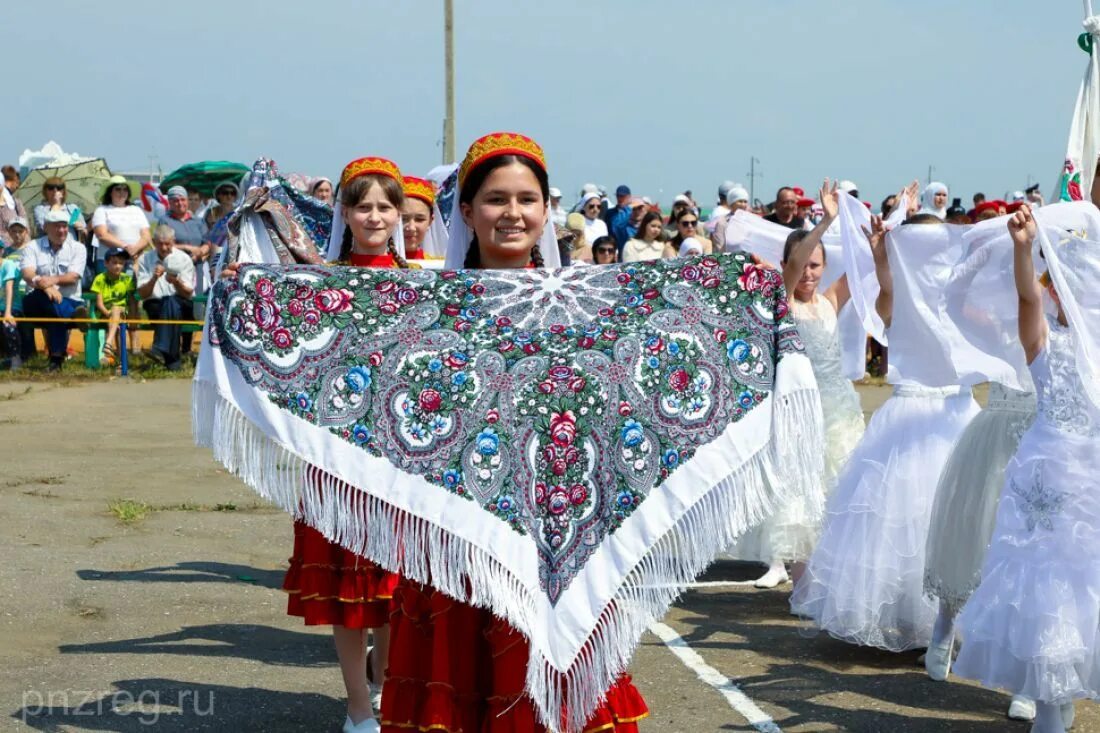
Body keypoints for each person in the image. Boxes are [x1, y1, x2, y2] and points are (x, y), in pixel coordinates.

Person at [382, 131, 647, 733]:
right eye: (497, 199)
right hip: (456, 539)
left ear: (547, 210)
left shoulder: (590, 303)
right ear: (468, 212)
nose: (513, 213)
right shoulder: (426, 304)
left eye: (527, 199)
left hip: (561, 536)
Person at [790, 208, 981, 652]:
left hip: (956, 409)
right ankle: (921, 625)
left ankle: (952, 624)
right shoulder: (894, 294)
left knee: (954, 521)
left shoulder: (959, 293)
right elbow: (889, 295)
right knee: (905, 522)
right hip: (912, 410)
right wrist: (881, 255)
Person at [954, 205, 1100, 733]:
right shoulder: (1044, 343)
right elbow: (1025, 297)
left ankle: (1063, 699)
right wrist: (1023, 247)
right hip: (1048, 474)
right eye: (1061, 283)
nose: (1068, 294)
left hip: (1093, 480)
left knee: (1085, 585)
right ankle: (1049, 705)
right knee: (1046, 585)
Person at [733, 181, 866, 588]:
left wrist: (885, 227)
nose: (809, 272)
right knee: (799, 489)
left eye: (816, 265)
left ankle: (827, 576)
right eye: (803, 264)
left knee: (837, 486)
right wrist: (825, 220)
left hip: (840, 408)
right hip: (800, 407)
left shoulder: (830, 300)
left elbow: (867, 262)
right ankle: (795, 576)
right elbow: (792, 269)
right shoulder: (784, 299)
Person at [20, 209, 89, 371]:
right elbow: (27, 273)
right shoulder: (32, 246)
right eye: (57, 226)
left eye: (64, 226)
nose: (62, 230)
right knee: (43, 298)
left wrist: (53, 280)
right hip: (37, 301)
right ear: (46, 227)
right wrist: (44, 285)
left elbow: (73, 277)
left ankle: (56, 361)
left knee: (54, 312)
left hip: (69, 300)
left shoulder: (78, 248)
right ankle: (73, 316)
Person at [135, 225, 195, 371]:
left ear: (173, 241)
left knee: (171, 303)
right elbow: (143, 294)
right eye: (160, 243)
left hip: (182, 302)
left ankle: (160, 349)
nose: (163, 247)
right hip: (155, 303)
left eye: (167, 243)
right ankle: (173, 362)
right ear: (154, 242)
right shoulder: (145, 259)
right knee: (168, 306)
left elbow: (187, 293)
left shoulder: (184, 259)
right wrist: (154, 278)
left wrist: (175, 281)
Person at [91, 176, 150, 272]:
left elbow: (146, 235)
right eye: (118, 189)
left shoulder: (137, 210)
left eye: (125, 189)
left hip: (135, 261)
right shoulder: (101, 210)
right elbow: (102, 235)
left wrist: (135, 249)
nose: (122, 192)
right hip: (109, 262)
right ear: (110, 192)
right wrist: (126, 247)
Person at [89, 248, 137, 366]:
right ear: (106, 263)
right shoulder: (100, 278)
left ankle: (108, 344)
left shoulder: (127, 279)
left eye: (121, 263)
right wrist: (108, 313)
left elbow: (131, 301)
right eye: (114, 262)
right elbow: (99, 303)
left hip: (122, 312)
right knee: (120, 325)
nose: (118, 266)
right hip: (104, 312)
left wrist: (133, 316)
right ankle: (122, 362)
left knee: (117, 310)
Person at [1, 218, 34, 368]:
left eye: (20, 231)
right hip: (10, 295)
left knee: (26, 328)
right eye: (13, 231)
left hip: (26, 292)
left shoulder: (32, 249)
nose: (17, 234)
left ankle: (26, 354)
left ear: (26, 231)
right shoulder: (6, 252)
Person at [400, 176, 434, 260]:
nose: (411, 227)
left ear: (430, 221)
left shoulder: (439, 266)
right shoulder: (378, 264)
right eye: (403, 219)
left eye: (419, 219)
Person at [0, 165, 28, 248]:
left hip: (15, 250)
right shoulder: (14, 202)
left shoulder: (15, 202)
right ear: (15, 179)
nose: (17, 187)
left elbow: (25, 228)